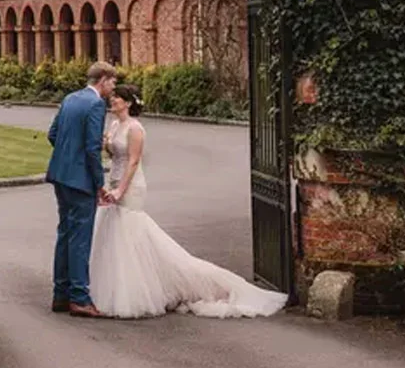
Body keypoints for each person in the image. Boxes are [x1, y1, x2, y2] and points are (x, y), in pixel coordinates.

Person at [90, 84, 288, 318]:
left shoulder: (135, 128)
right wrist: (106, 147)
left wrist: (121, 190)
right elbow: (115, 155)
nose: (112, 102)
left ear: (129, 103)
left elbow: (133, 162)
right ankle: (119, 284)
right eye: (111, 98)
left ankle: (144, 289)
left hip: (130, 186)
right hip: (113, 179)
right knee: (116, 234)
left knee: (130, 232)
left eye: (116, 99)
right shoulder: (114, 125)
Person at [45, 62, 115, 318]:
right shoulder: (96, 104)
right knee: (79, 238)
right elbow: (92, 148)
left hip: (60, 176)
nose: (113, 88)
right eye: (113, 82)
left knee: (65, 233)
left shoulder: (70, 98)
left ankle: (60, 294)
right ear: (103, 80)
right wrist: (99, 183)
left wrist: (67, 156)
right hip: (80, 180)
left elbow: (52, 135)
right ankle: (79, 298)